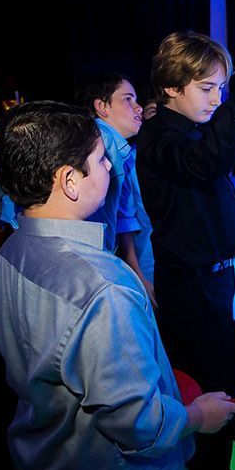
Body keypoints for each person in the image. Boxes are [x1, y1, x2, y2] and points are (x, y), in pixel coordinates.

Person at [0, 100, 235, 470]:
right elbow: (138, 423)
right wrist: (198, 415)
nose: (110, 168)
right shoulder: (102, 287)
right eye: (102, 160)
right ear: (70, 181)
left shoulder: (11, 250)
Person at [137, 30, 235, 470]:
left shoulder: (187, 130)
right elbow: (206, 164)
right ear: (171, 87)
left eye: (221, 89)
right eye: (206, 88)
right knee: (207, 397)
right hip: (191, 291)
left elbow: (203, 193)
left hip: (211, 280)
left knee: (218, 387)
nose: (216, 99)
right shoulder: (159, 136)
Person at [81, 73, 155, 301]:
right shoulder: (92, 147)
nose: (139, 108)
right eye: (128, 99)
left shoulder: (118, 151)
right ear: (102, 106)